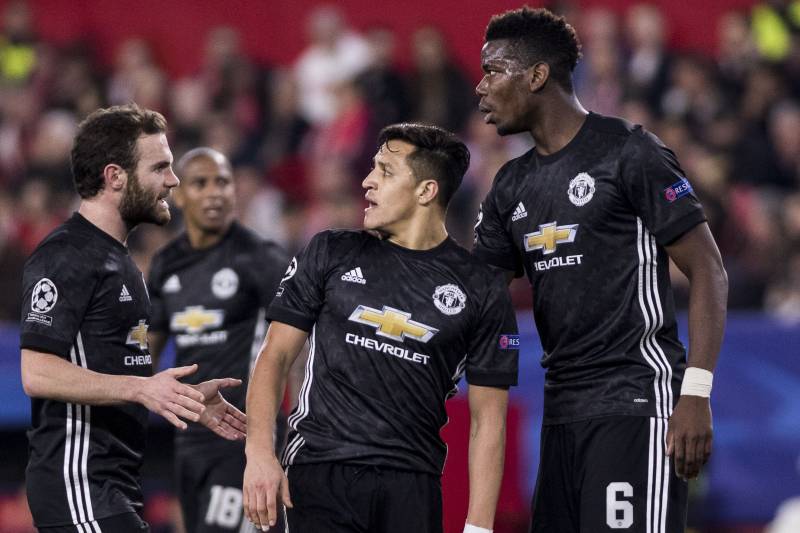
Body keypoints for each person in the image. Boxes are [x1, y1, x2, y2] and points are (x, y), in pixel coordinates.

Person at [473, 8, 729, 533]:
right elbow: (474, 297)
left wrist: (696, 392)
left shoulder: (630, 151)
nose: (481, 87)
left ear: (537, 75)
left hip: (637, 400)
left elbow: (708, 271)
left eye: (494, 70)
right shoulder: (509, 186)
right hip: (562, 413)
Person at [242, 123, 519, 533]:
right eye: (373, 168)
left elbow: (489, 421)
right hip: (320, 473)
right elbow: (274, 356)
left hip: (412, 483)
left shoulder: (481, 289)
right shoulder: (330, 251)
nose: (367, 181)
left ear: (426, 191)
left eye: (386, 171)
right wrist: (260, 453)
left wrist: (479, 527)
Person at [19, 104, 247, 533]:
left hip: (110, 489)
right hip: (78, 489)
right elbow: (37, 372)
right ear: (115, 177)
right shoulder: (67, 255)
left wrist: (184, 399)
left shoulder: (118, 260)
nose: (173, 181)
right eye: (160, 167)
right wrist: (143, 389)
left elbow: (111, 367)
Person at [147, 147, 289, 533]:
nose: (214, 192)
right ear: (180, 193)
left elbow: (296, 346)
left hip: (243, 437)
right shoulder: (165, 264)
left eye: (223, 182)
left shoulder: (262, 258)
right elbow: (146, 351)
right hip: (189, 440)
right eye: (201, 183)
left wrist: (282, 433)